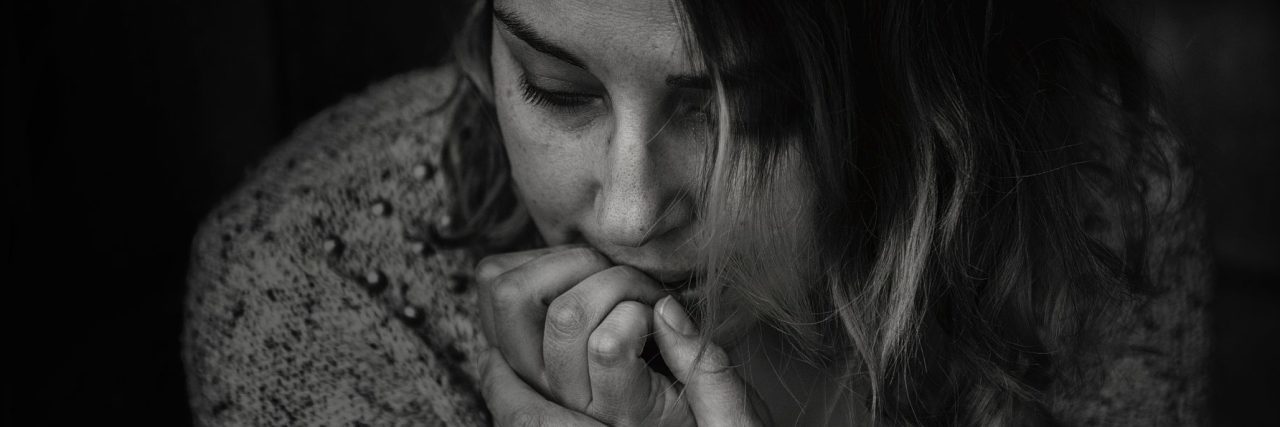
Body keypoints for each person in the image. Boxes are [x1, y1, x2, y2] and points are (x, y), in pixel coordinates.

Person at [183, 0, 1210, 425]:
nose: (628, 211)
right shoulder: (310, 281)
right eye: (557, 88)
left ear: (907, 89)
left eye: (743, 111)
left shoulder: (1087, 202)